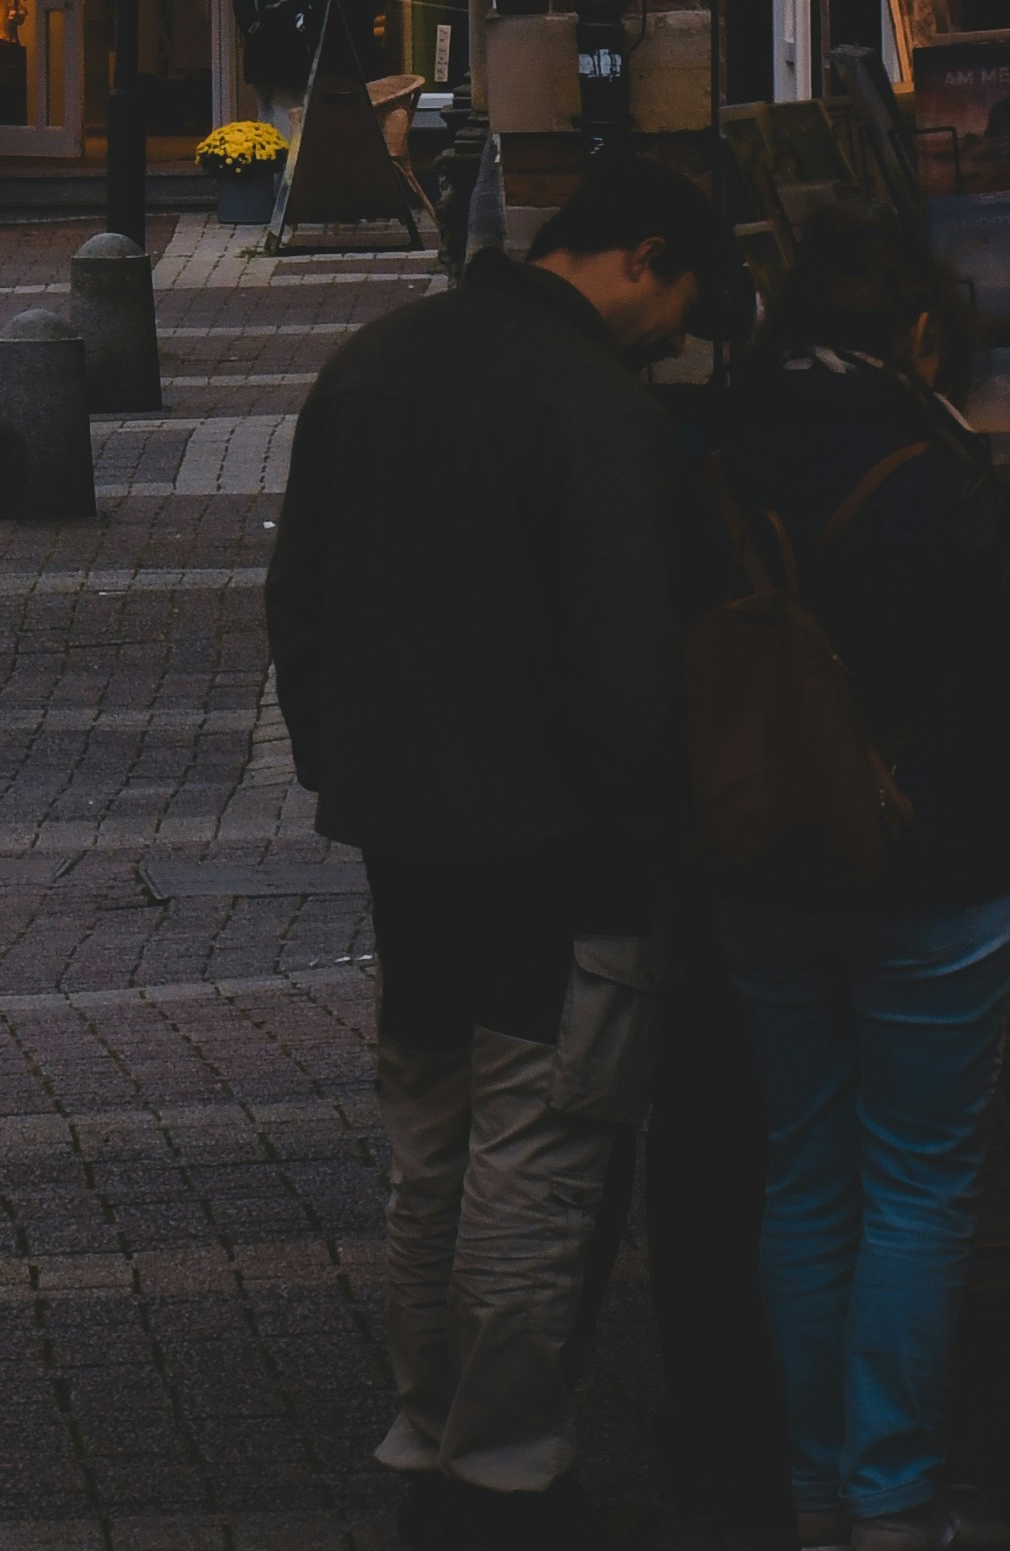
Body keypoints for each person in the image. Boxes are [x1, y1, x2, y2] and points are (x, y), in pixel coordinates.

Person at [265, 139, 721, 1545]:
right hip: (559, 840)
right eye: (684, 299)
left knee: (432, 1128)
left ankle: (426, 1412)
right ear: (638, 259)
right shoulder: (597, 412)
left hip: (405, 828)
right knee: (543, 1138)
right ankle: (507, 1448)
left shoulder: (376, 363)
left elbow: (300, 600)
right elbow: (631, 668)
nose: (683, 335)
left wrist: (341, 764)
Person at [689, 209, 1010, 1551]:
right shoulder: (945, 473)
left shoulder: (716, 459)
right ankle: (894, 1500)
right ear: (917, 332)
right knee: (920, 1181)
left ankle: (813, 1491)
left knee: (805, 1171)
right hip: (936, 864)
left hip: (762, 863)